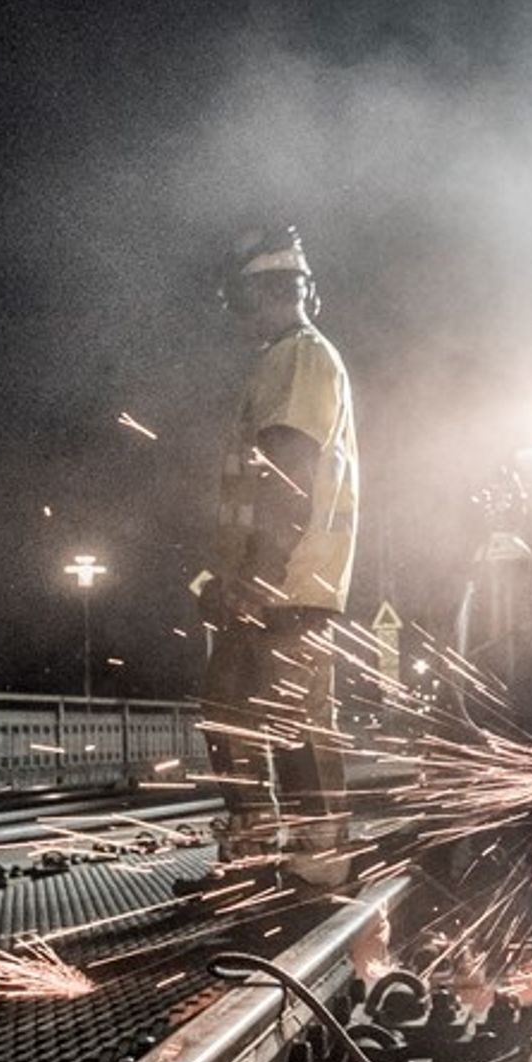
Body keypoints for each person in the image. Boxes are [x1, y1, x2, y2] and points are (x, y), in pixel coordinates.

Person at [193, 225, 359, 890]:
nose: (236, 316)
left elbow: (290, 465)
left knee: (292, 716)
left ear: (261, 293)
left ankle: (318, 858)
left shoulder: (300, 357)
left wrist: (258, 574)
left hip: (290, 579)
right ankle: (256, 854)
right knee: (230, 709)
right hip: (270, 579)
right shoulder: (282, 358)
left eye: (240, 299)